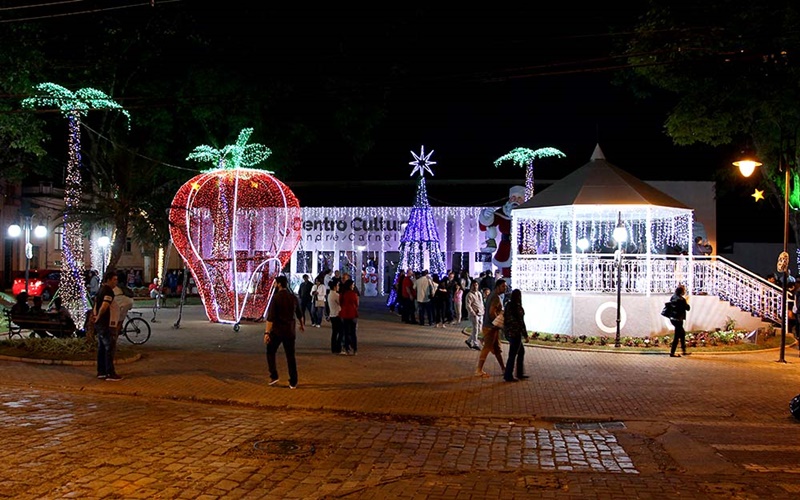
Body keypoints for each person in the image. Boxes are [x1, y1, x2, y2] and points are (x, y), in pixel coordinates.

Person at [264, 275, 305, 389]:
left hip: (277, 331)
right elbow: (299, 314)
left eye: (275, 283)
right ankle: (293, 381)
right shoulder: (293, 297)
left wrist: (267, 333)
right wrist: (302, 325)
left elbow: (270, 318)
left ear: (279, 284)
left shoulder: (276, 298)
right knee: (290, 356)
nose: (274, 285)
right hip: (290, 331)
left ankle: (274, 375)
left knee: (270, 351)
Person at [94, 271, 123, 381]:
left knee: (102, 348)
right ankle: (110, 373)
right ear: (108, 280)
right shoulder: (108, 291)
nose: (116, 282)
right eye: (114, 279)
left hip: (101, 324)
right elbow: (105, 306)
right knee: (109, 348)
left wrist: (96, 316)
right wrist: (99, 316)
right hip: (107, 323)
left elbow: (97, 304)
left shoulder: (100, 290)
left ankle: (101, 371)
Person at [475, 279, 507, 377]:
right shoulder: (496, 297)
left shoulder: (492, 295)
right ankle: (479, 370)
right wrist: (498, 321)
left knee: (497, 349)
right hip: (491, 327)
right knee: (487, 347)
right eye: (503, 286)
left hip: (490, 326)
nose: (505, 288)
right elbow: (492, 312)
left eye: (505, 286)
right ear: (497, 287)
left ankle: (503, 368)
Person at [502, 289, 529, 382]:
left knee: (520, 351)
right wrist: (525, 335)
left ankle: (519, 373)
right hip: (516, 333)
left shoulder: (508, 305)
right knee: (513, 354)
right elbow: (521, 323)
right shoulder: (518, 308)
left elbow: (505, 318)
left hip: (509, 332)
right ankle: (509, 375)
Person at [668, 284, 691, 358]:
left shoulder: (673, 297)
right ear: (681, 291)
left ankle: (684, 351)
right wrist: (687, 301)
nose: (684, 292)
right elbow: (687, 308)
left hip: (673, 318)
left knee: (682, 334)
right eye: (684, 290)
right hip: (678, 319)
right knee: (677, 336)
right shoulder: (681, 299)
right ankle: (672, 353)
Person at [339, 279, 360, 355]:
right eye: (352, 285)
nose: (353, 286)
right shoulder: (353, 294)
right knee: (353, 332)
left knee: (346, 332)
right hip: (352, 314)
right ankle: (354, 348)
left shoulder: (343, 293)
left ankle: (347, 348)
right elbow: (356, 304)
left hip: (344, 314)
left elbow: (340, 303)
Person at [465, 281, 483, 350]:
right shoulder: (469, 295)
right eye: (474, 285)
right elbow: (468, 306)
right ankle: (475, 343)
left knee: (479, 329)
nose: (475, 286)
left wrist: (482, 310)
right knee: (475, 329)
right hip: (474, 315)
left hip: (480, 313)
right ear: (471, 286)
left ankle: (469, 340)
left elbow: (481, 303)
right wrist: (473, 313)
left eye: (476, 285)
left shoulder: (479, 293)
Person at [327, 280, 343, 353]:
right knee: (340, 332)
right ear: (334, 287)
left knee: (334, 333)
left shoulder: (330, 294)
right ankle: (338, 348)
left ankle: (333, 348)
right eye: (338, 285)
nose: (338, 287)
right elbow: (341, 303)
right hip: (337, 315)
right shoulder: (336, 295)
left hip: (332, 315)